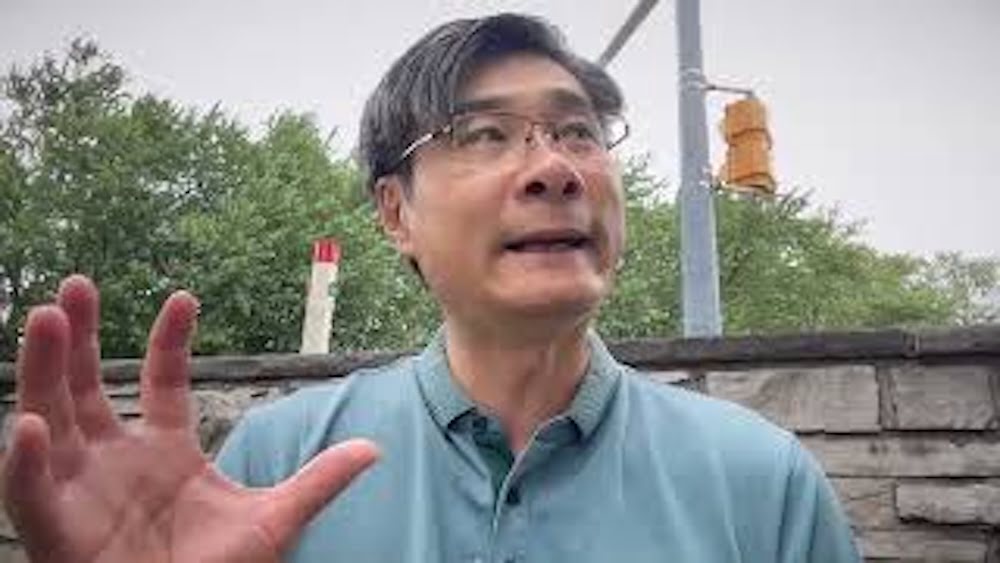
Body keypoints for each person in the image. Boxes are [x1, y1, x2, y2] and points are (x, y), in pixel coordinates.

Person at [2, 13, 860, 563]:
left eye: (577, 131)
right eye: (485, 133)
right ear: (395, 212)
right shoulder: (275, 463)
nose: (555, 168)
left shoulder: (763, 484)